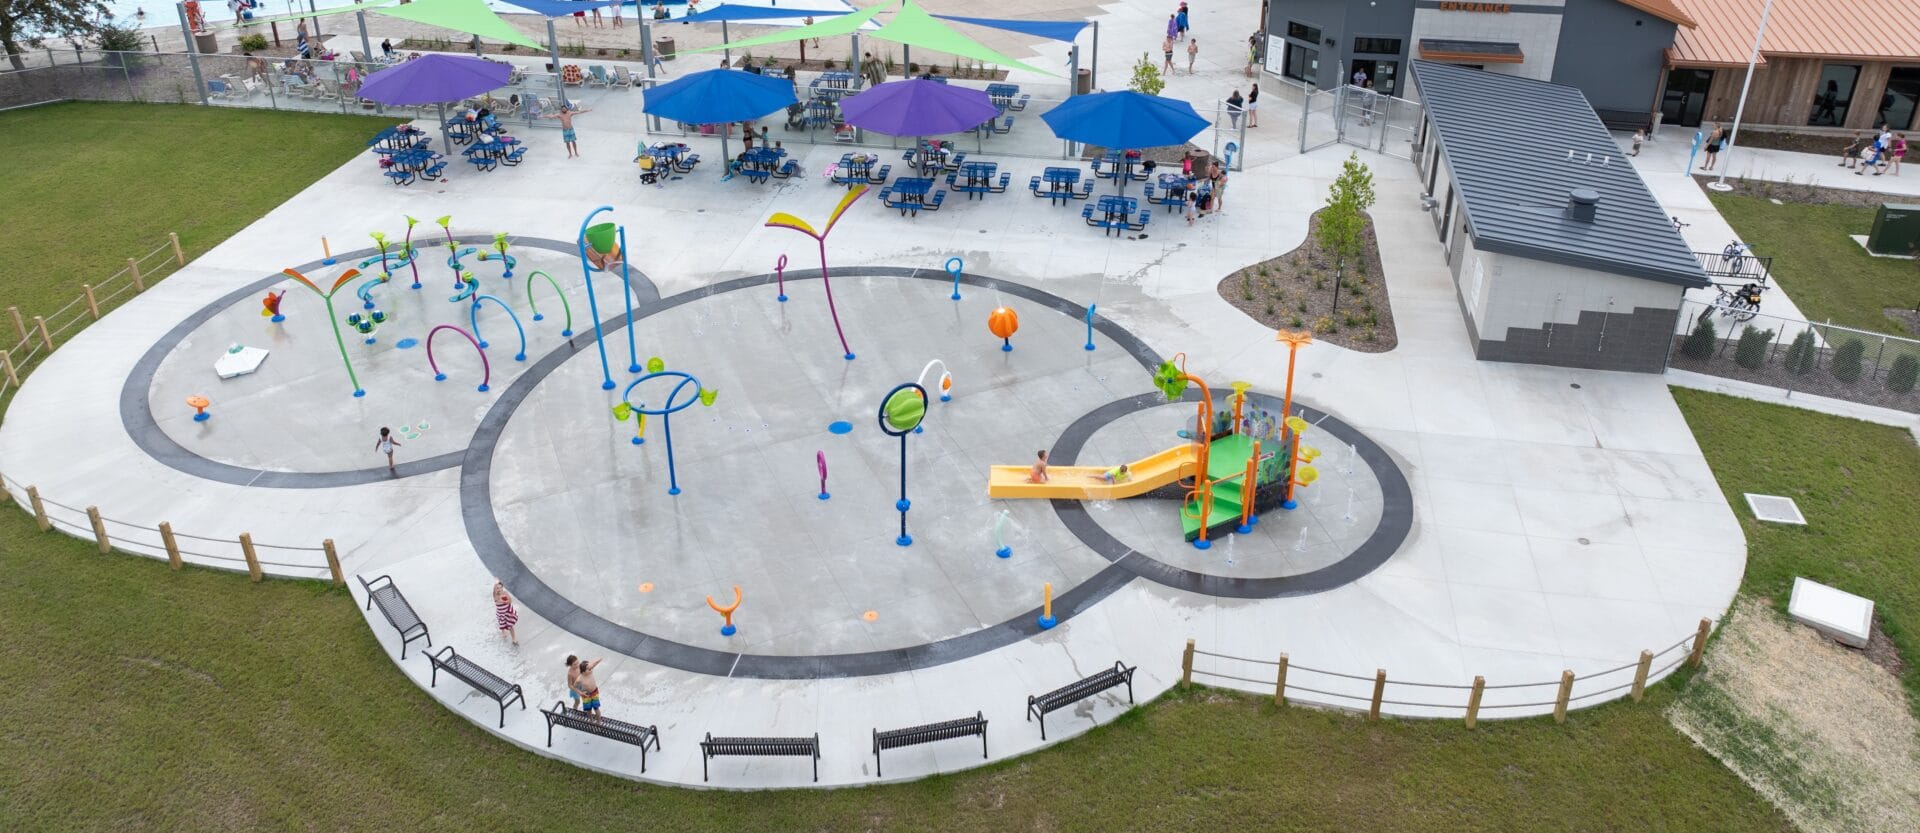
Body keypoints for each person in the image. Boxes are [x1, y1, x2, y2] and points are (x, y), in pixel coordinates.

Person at [492, 581, 519, 645]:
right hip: (500, 612)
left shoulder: (505, 593)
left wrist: (506, 601)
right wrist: (500, 599)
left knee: (510, 625)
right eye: (498, 588)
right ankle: (503, 632)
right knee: (501, 622)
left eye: (501, 588)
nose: (499, 589)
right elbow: (496, 599)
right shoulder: (495, 594)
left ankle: (514, 638)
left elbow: (510, 601)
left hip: (507, 612)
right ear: (495, 589)